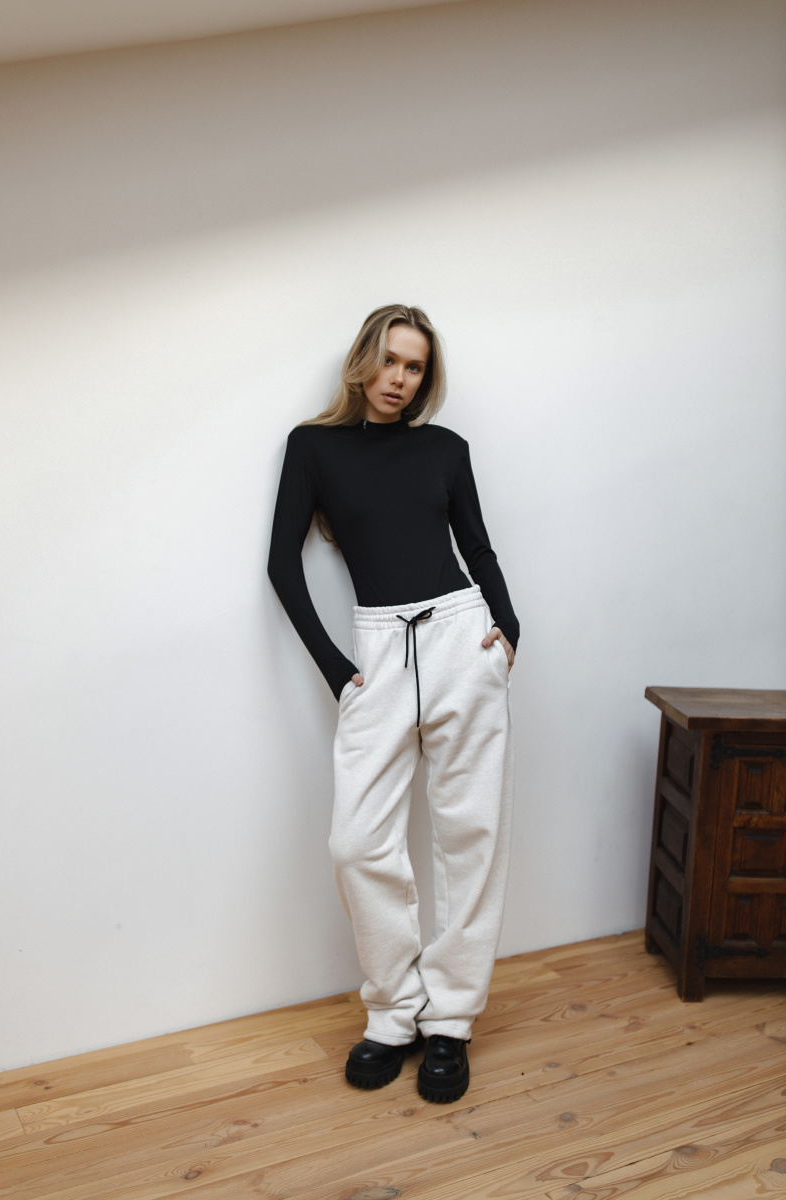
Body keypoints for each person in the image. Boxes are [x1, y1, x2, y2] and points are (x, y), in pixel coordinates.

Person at [267, 304, 518, 1103]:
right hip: (375, 651)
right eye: (390, 360)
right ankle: (393, 1011)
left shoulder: (445, 450)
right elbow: (281, 566)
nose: (399, 379)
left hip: (461, 640)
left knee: (471, 834)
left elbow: (477, 546)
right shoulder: (314, 447)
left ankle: (451, 1020)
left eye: (415, 367)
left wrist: (508, 631)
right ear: (363, 360)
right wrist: (338, 671)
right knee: (356, 842)